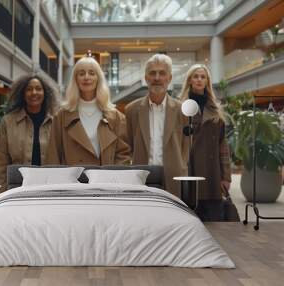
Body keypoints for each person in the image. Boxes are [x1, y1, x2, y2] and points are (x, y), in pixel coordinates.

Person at [46, 56, 131, 165]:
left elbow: (123, 154)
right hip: (72, 180)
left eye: (91, 73)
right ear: (75, 79)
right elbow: (53, 154)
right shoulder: (62, 116)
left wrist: (114, 179)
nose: (86, 77)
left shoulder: (116, 117)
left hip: (105, 180)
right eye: (81, 74)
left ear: (98, 78)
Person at [125, 54, 188, 197]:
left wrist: (182, 165)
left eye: (162, 73)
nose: (157, 78)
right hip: (141, 179)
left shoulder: (182, 110)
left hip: (173, 178)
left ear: (169, 78)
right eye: (152, 73)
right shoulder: (131, 110)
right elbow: (127, 144)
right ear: (146, 78)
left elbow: (187, 145)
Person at [179, 64, 232, 221]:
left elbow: (223, 146)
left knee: (215, 220)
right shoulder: (179, 108)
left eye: (203, 77)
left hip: (212, 172)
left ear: (207, 81)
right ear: (189, 80)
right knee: (189, 218)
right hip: (188, 168)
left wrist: (226, 176)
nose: (199, 80)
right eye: (195, 76)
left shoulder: (215, 109)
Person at [0, 74, 58, 196]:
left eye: (38, 88)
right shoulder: (8, 121)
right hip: (17, 190)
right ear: (22, 93)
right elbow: (0, 162)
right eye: (29, 89)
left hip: (50, 189)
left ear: (45, 93)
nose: (34, 92)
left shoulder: (56, 121)